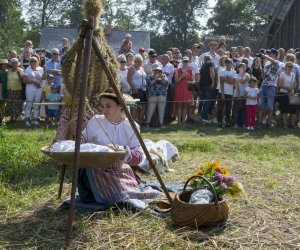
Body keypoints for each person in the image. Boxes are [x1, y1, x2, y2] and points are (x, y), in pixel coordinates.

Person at [78, 92, 160, 203]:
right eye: (102, 106)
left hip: (120, 169)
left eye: (108, 106)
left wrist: (121, 150)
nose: (104, 110)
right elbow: (82, 141)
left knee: (124, 192)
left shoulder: (132, 126)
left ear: (121, 105)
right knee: (96, 173)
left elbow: (139, 157)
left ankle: (119, 194)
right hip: (96, 168)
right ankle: (108, 194)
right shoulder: (96, 121)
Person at [257, 48, 280, 129]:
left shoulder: (277, 62)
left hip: (271, 86)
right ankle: (259, 123)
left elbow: (273, 61)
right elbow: (263, 74)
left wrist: (264, 56)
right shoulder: (266, 63)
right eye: (269, 53)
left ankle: (268, 123)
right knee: (260, 105)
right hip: (263, 85)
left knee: (270, 106)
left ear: (275, 55)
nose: (269, 54)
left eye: (271, 53)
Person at [23, 55, 46, 126]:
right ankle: (27, 119)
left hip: (39, 89)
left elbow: (44, 78)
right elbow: (24, 80)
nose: (33, 62)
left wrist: (45, 71)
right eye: (31, 61)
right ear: (29, 62)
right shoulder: (27, 69)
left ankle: (36, 119)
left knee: (37, 105)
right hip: (30, 90)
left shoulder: (41, 69)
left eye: (35, 61)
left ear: (38, 62)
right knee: (29, 104)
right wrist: (34, 81)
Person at [174, 56, 195, 126]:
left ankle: (183, 121)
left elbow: (194, 81)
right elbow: (176, 81)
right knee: (180, 106)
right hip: (179, 89)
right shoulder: (177, 70)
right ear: (182, 62)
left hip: (187, 90)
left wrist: (190, 82)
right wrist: (182, 76)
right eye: (184, 61)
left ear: (188, 62)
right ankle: (179, 121)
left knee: (185, 106)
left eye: (187, 61)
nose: (185, 63)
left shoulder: (190, 70)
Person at [127, 55, 147, 124]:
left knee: (144, 105)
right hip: (134, 90)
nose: (139, 63)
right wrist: (134, 88)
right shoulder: (132, 68)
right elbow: (129, 80)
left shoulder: (141, 68)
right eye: (137, 61)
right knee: (134, 107)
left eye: (140, 61)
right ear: (134, 61)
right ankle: (134, 122)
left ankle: (140, 119)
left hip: (143, 90)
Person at [277, 62, 297, 129]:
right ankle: (285, 124)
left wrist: (292, 87)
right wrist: (287, 88)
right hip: (283, 94)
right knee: (284, 110)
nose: (290, 68)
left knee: (294, 110)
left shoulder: (293, 74)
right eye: (289, 66)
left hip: (291, 94)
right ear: (286, 67)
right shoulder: (282, 74)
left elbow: (295, 83)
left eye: (291, 66)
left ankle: (292, 124)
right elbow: (280, 85)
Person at [218, 59, 236, 128]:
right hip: (222, 92)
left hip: (230, 93)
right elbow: (221, 82)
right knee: (221, 108)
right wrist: (222, 93)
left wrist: (225, 80)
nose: (228, 64)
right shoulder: (222, 71)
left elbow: (233, 82)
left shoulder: (234, 72)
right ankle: (220, 122)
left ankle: (227, 122)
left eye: (229, 63)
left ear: (231, 64)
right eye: (227, 63)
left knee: (228, 109)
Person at [198, 55, 215, 124]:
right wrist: (213, 82)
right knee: (207, 102)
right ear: (210, 59)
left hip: (202, 86)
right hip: (208, 85)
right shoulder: (210, 63)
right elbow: (211, 71)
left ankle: (202, 116)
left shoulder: (202, 66)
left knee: (204, 101)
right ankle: (205, 118)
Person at [232, 63, 250, 128]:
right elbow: (236, 86)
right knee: (236, 109)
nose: (244, 68)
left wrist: (238, 80)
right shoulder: (236, 75)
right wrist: (238, 94)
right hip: (237, 95)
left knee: (244, 110)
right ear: (239, 68)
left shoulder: (247, 75)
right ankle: (235, 123)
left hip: (245, 95)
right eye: (242, 67)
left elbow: (243, 81)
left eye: (245, 67)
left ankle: (244, 124)